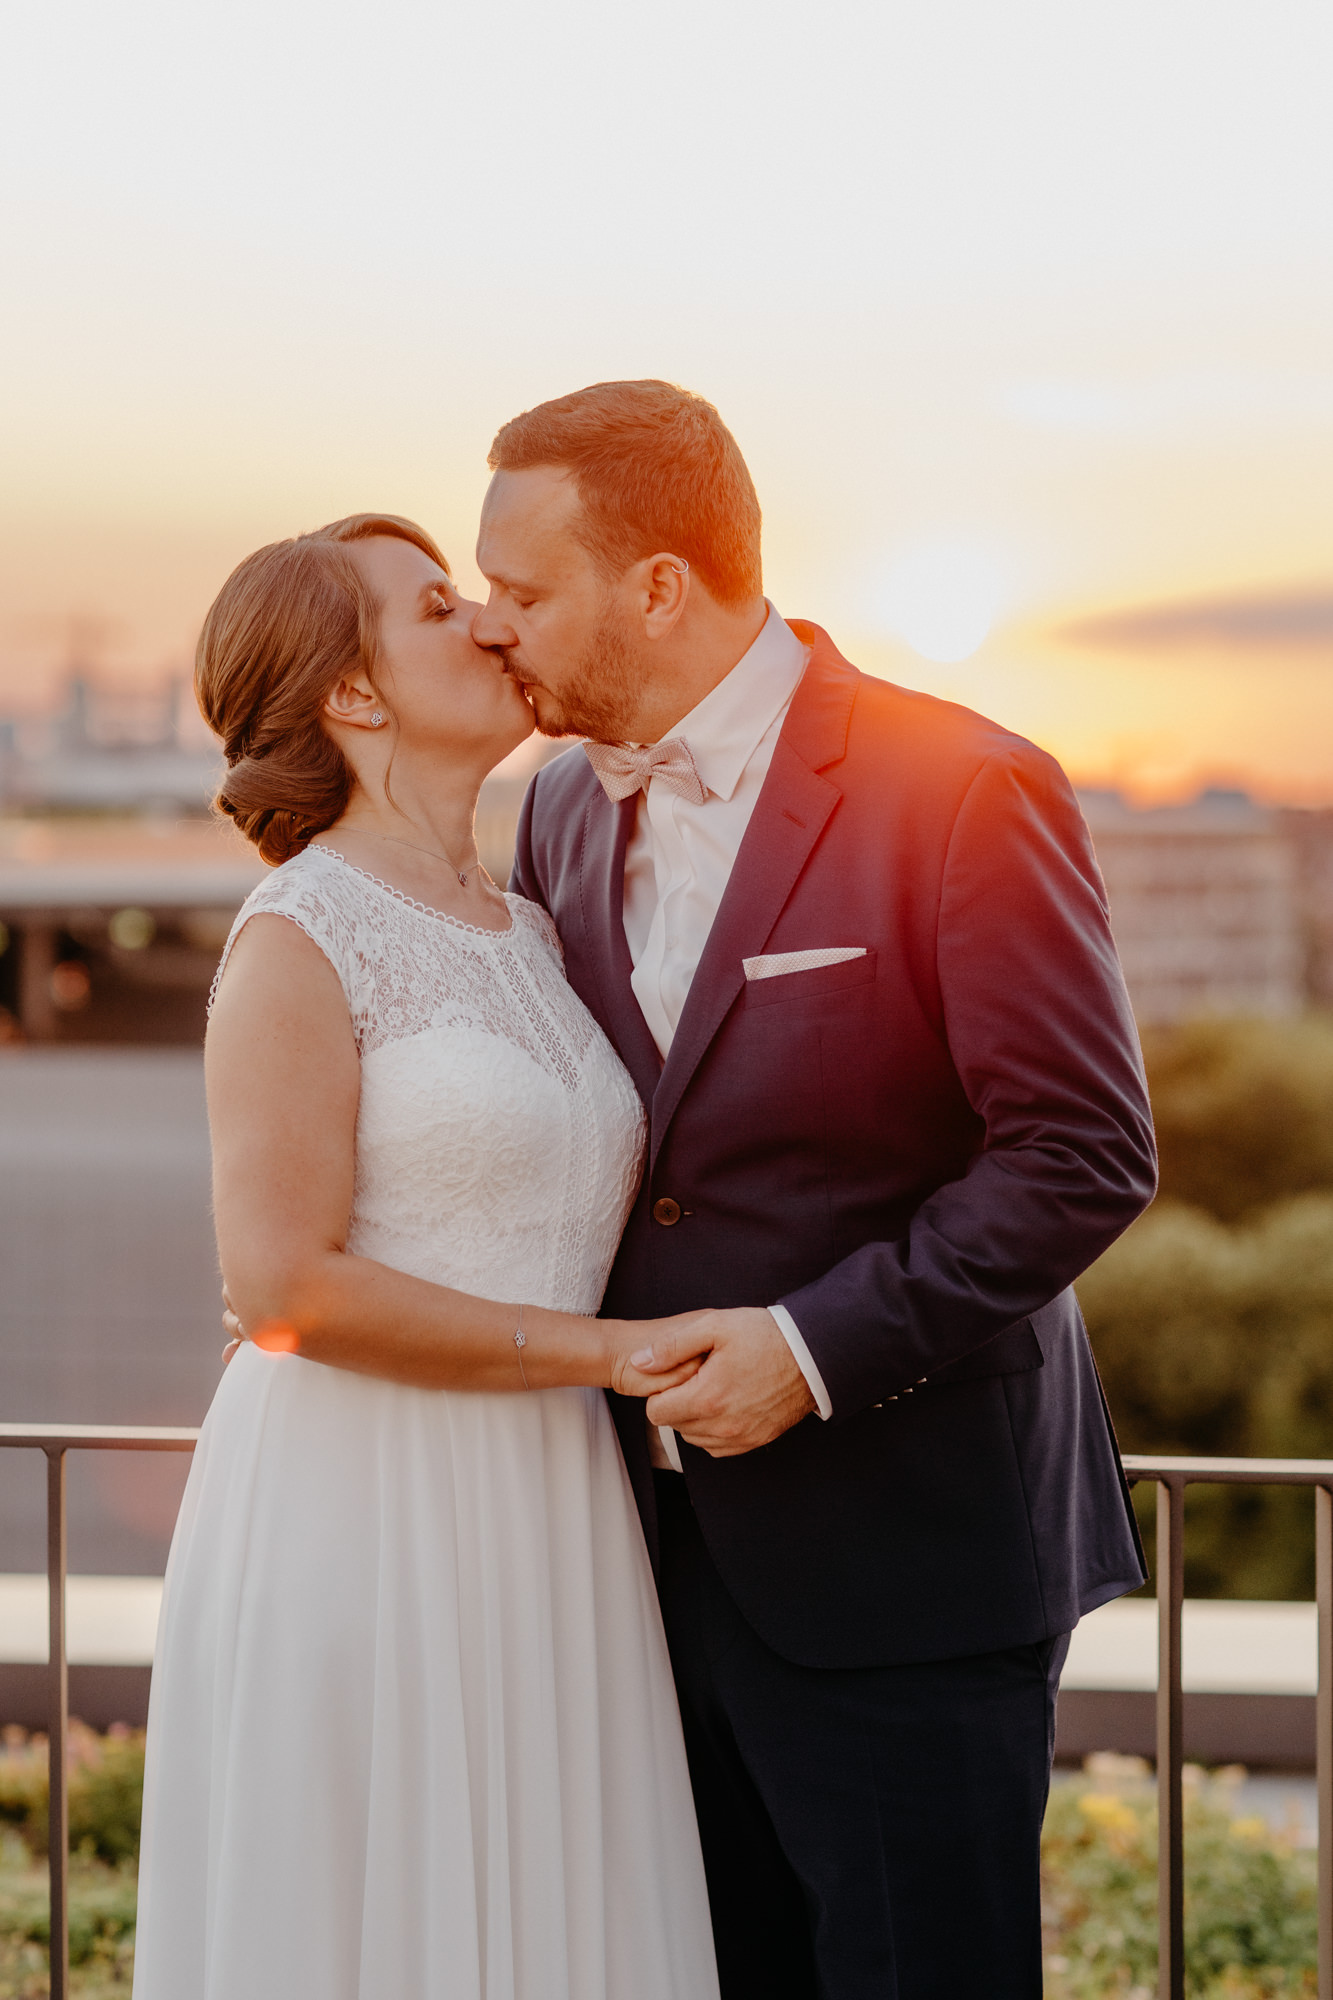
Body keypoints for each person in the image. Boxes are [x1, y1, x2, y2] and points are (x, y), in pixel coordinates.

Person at [475, 380, 1159, 1998]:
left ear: (656, 584)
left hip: (905, 1559)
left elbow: (1080, 1153)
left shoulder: (965, 786)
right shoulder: (563, 809)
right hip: (640, 1565)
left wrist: (807, 1348)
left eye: (523, 590)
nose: (496, 629)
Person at [132, 512, 721, 2000]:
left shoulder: (529, 924)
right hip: (367, 1507)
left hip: (548, 1508)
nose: (490, 624)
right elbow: (279, 1287)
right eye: (437, 605)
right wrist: (609, 1359)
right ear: (353, 693)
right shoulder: (298, 937)